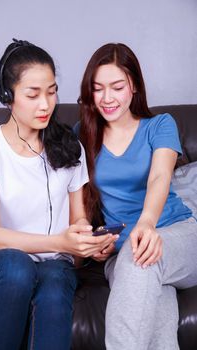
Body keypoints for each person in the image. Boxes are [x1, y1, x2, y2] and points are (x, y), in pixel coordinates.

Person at [0, 39, 117, 350]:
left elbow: (78, 220)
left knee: (55, 284)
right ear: (8, 97)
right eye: (33, 95)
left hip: (54, 262)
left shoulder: (69, 148)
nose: (46, 104)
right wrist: (58, 242)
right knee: (17, 267)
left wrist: (87, 242)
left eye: (51, 91)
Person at [77, 42, 197, 350]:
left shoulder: (160, 125)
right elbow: (76, 200)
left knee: (138, 256)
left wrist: (146, 223)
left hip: (177, 235)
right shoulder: (83, 134)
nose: (107, 98)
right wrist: (96, 242)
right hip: (123, 250)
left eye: (117, 87)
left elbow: (159, 176)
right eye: (98, 88)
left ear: (133, 85)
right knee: (155, 308)